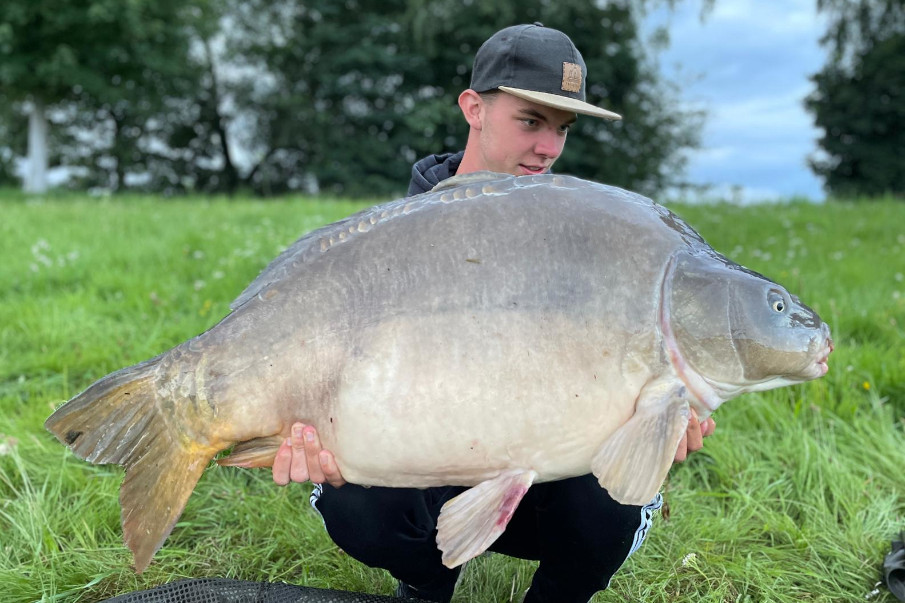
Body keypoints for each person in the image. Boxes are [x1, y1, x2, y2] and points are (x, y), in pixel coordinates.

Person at [272, 23, 716, 603]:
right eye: (531, 121)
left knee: (612, 506)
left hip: (549, 468)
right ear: (474, 108)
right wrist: (315, 432)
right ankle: (426, 583)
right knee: (355, 501)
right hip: (429, 462)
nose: (550, 148)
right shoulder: (388, 240)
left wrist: (656, 426)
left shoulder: (589, 237)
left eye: (562, 128)